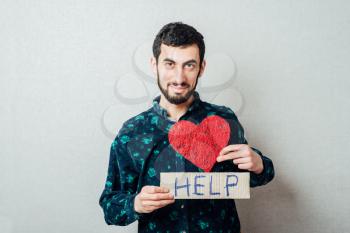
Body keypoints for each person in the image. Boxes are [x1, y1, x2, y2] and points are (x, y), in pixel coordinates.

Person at [99, 22, 275, 233]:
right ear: (154, 65)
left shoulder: (223, 119)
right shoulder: (132, 132)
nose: (179, 78)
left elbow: (247, 179)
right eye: (170, 64)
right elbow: (110, 206)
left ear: (202, 68)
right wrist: (135, 204)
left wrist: (259, 165)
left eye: (189, 65)